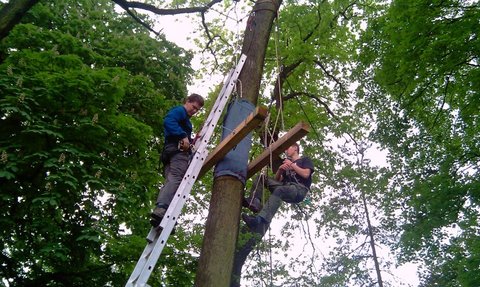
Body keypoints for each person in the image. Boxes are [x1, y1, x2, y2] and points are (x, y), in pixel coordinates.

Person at [150, 93, 204, 227]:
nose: (194, 111)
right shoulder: (180, 111)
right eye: (193, 107)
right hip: (176, 151)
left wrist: (192, 140)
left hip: (170, 151)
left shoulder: (185, 120)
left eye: (197, 110)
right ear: (187, 101)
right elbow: (169, 121)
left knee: (171, 181)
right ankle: (162, 209)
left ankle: (163, 217)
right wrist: (183, 136)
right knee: (177, 178)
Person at [242, 143, 314, 231]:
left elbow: (306, 174)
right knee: (261, 178)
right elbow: (278, 181)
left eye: (287, 148)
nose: (286, 151)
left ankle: (259, 221)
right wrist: (280, 170)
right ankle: (255, 201)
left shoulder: (304, 160)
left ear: (295, 148)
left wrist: (292, 165)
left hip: (299, 189)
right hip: (286, 187)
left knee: (281, 190)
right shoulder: (287, 163)